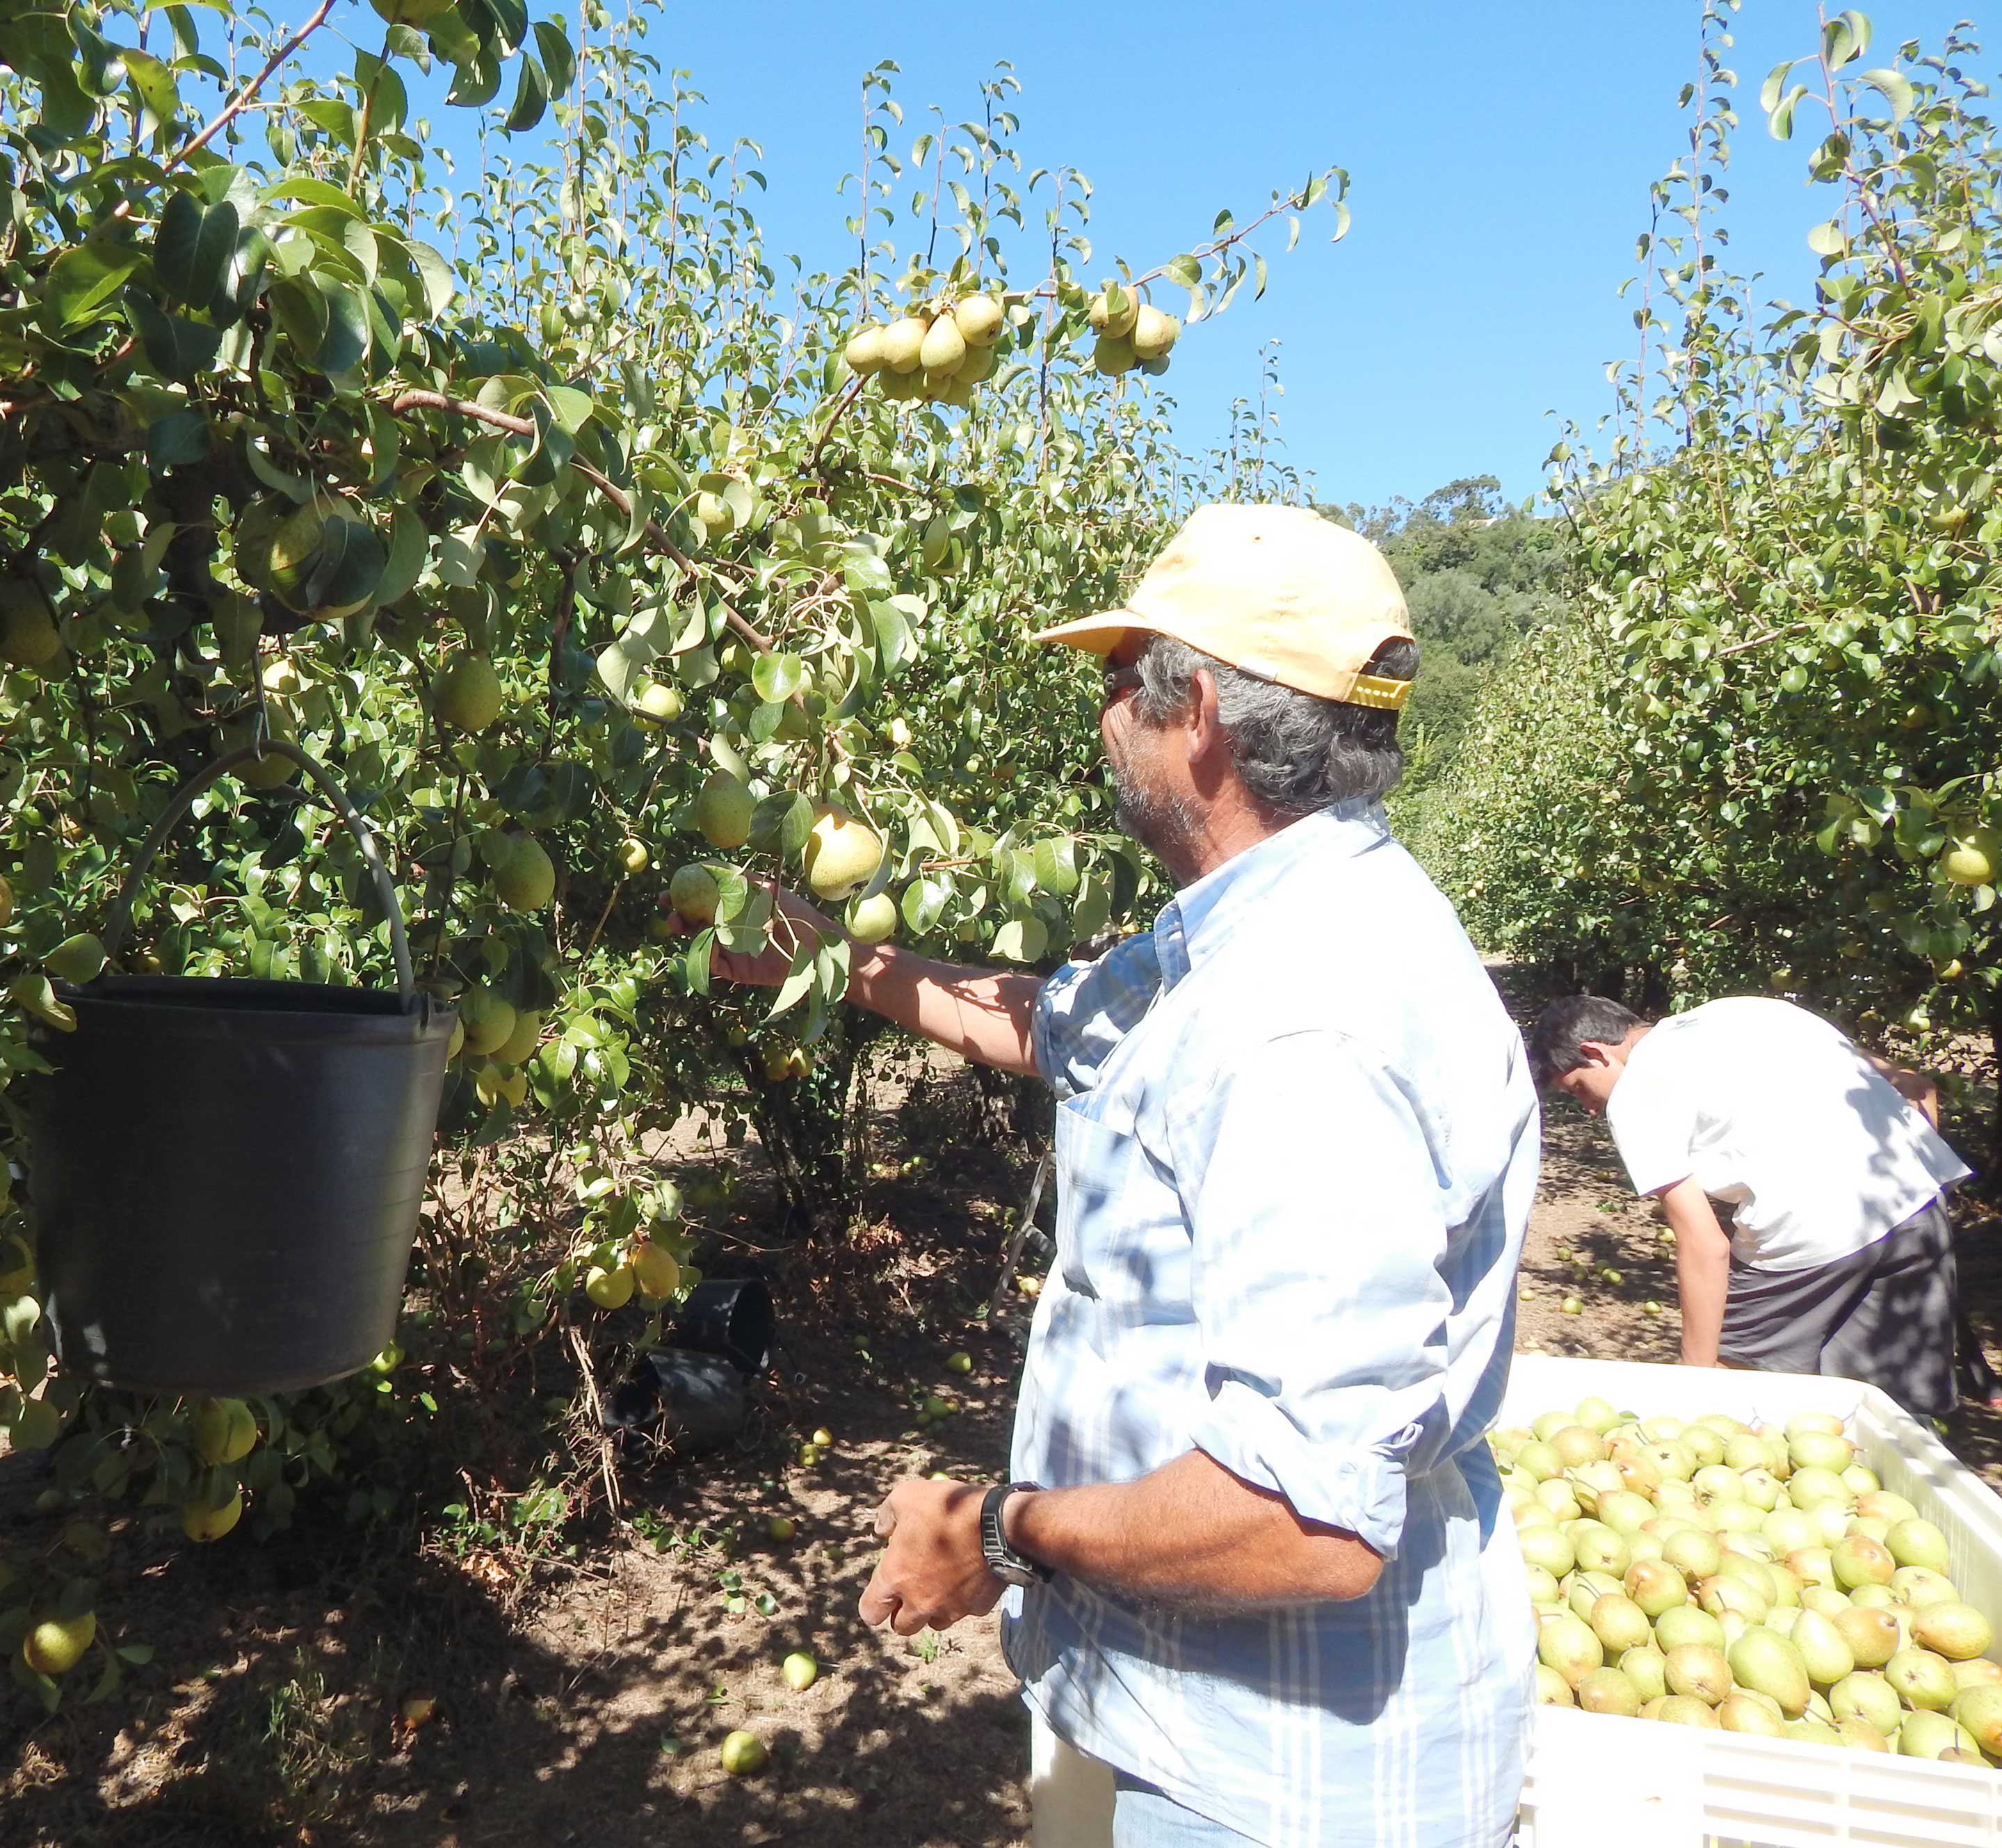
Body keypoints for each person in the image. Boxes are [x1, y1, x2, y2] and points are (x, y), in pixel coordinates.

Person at [705, 504, 1538, 1847]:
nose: (1101, 715)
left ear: (1193, 709)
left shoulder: (1301, 1017)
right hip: (1186, 1710)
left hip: (1276, 1775)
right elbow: (1053, 1024)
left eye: (1117, 682)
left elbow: (1302, 1518)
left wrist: (997, 1530)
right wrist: (824, 953)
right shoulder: (1256, 934)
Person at [1526, 993, 1973, 1418]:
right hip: (1916, 1207)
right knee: (1891, 1414)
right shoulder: (1748, 1011)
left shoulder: (1636, 1092)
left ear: (1597, 1052)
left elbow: (1705, 1245)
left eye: (1579, 1088)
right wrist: (1921, 1188)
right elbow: (1915, 1085)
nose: (1587, 1108)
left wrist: (1695, 1376)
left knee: (1731, 1390)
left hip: (1808, 1234)